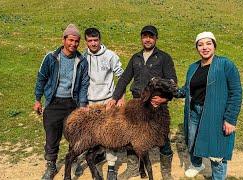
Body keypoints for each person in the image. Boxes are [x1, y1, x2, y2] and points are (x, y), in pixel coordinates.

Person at [107, 25, 177, 180]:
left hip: (156, 105)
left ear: (156, 38)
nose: (147, 39)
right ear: (141, 38)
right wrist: (115, 97)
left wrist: (165, 99)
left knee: (162, 138)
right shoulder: (136, 57)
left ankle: (166, 172)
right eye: (145, 36)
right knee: (132, 136)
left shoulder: (164, 57)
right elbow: (125, 78)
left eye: (151, 36)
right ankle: (133, 168)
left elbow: (173, 82)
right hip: (137, 104)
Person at [176, 32, 242, 179]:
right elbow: (187, 89)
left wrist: (230, 119)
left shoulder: (225, 65)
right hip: (194, 112)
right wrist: (171, 91)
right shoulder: (193, 67)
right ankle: (197, 164)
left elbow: (236, 92)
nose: (204, 47)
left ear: (214, 45)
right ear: (196, 48)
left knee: (216, 151)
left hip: (215, 114)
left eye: (208, 43)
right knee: (192, 141)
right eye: (200, 45)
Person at [33, 24, 89, 180]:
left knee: (74, 135)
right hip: (53, 102)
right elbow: (41, 78)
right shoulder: (51, 58)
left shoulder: (81, 60)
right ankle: (51, 165)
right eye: (71, 40)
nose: (73, 44)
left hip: (72, 103)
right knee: (52, 135)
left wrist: (83, 105)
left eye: (77, 41)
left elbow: (84, 83)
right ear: (64, 39)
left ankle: (73, 162)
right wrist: (38, 99)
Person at [84, 27, 124, 180]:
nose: (93, 43)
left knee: (110, 135)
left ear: (100, 40)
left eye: (96, 40)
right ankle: (96, 157)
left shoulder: (110, 56)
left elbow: (121, 76)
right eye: (90, 41)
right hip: (91, 103)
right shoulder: (82, 57)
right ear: (86, 41)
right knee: (93, 134)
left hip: (108, 102)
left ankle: (112, 167)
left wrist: (120, 97)